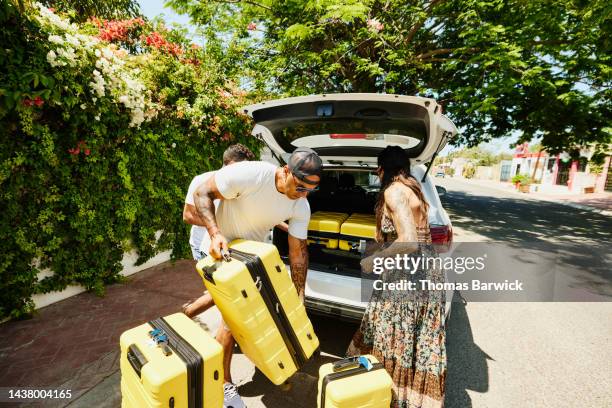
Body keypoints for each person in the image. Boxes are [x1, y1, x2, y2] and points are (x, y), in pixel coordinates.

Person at [193, 147, 322, 408]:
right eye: (300, 187)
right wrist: (216, 233)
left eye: (310, 190)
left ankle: (182, 317)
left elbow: (298, 253)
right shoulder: (251, 175)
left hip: (250, 259)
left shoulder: (301, 205)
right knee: (232, 320)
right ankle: (223, 385)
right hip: (221, 252)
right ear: (286, 171)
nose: (303, 194)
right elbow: (201, 193)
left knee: (240, 316)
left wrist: (299, 296)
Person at [346, 146, 446, 408]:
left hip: (407, 276)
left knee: (393, 338)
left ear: (381, 170)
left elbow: (409, 242)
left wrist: (372, 260)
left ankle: (387, 398)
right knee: (415, 341)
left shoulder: (394, 191)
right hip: (427, 272)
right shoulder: (414, 188)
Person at [182, 144, 255, 317]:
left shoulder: (238, 184)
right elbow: (188, 216)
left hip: (229, 246)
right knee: (223, 291)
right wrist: (218, 227)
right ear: (229, 163)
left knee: (222, 291)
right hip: (204, 246)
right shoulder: (202, 179)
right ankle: (185, 315)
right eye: (242, 167)